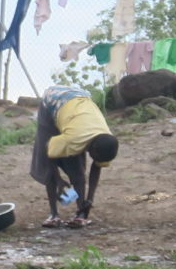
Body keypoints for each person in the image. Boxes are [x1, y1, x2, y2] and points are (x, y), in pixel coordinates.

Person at [31, 86, 119, 228]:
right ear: (93, 148)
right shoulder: (74, 138)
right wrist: (58, 180)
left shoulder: (106, 141)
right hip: (53, 101)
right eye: (96, 157)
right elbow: (49, 151)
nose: (96, 161)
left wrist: (89, 199)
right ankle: (54, 214)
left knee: (77, 171)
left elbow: (97, 167)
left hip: (77, 108)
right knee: (50, 170)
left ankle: (81, 214)